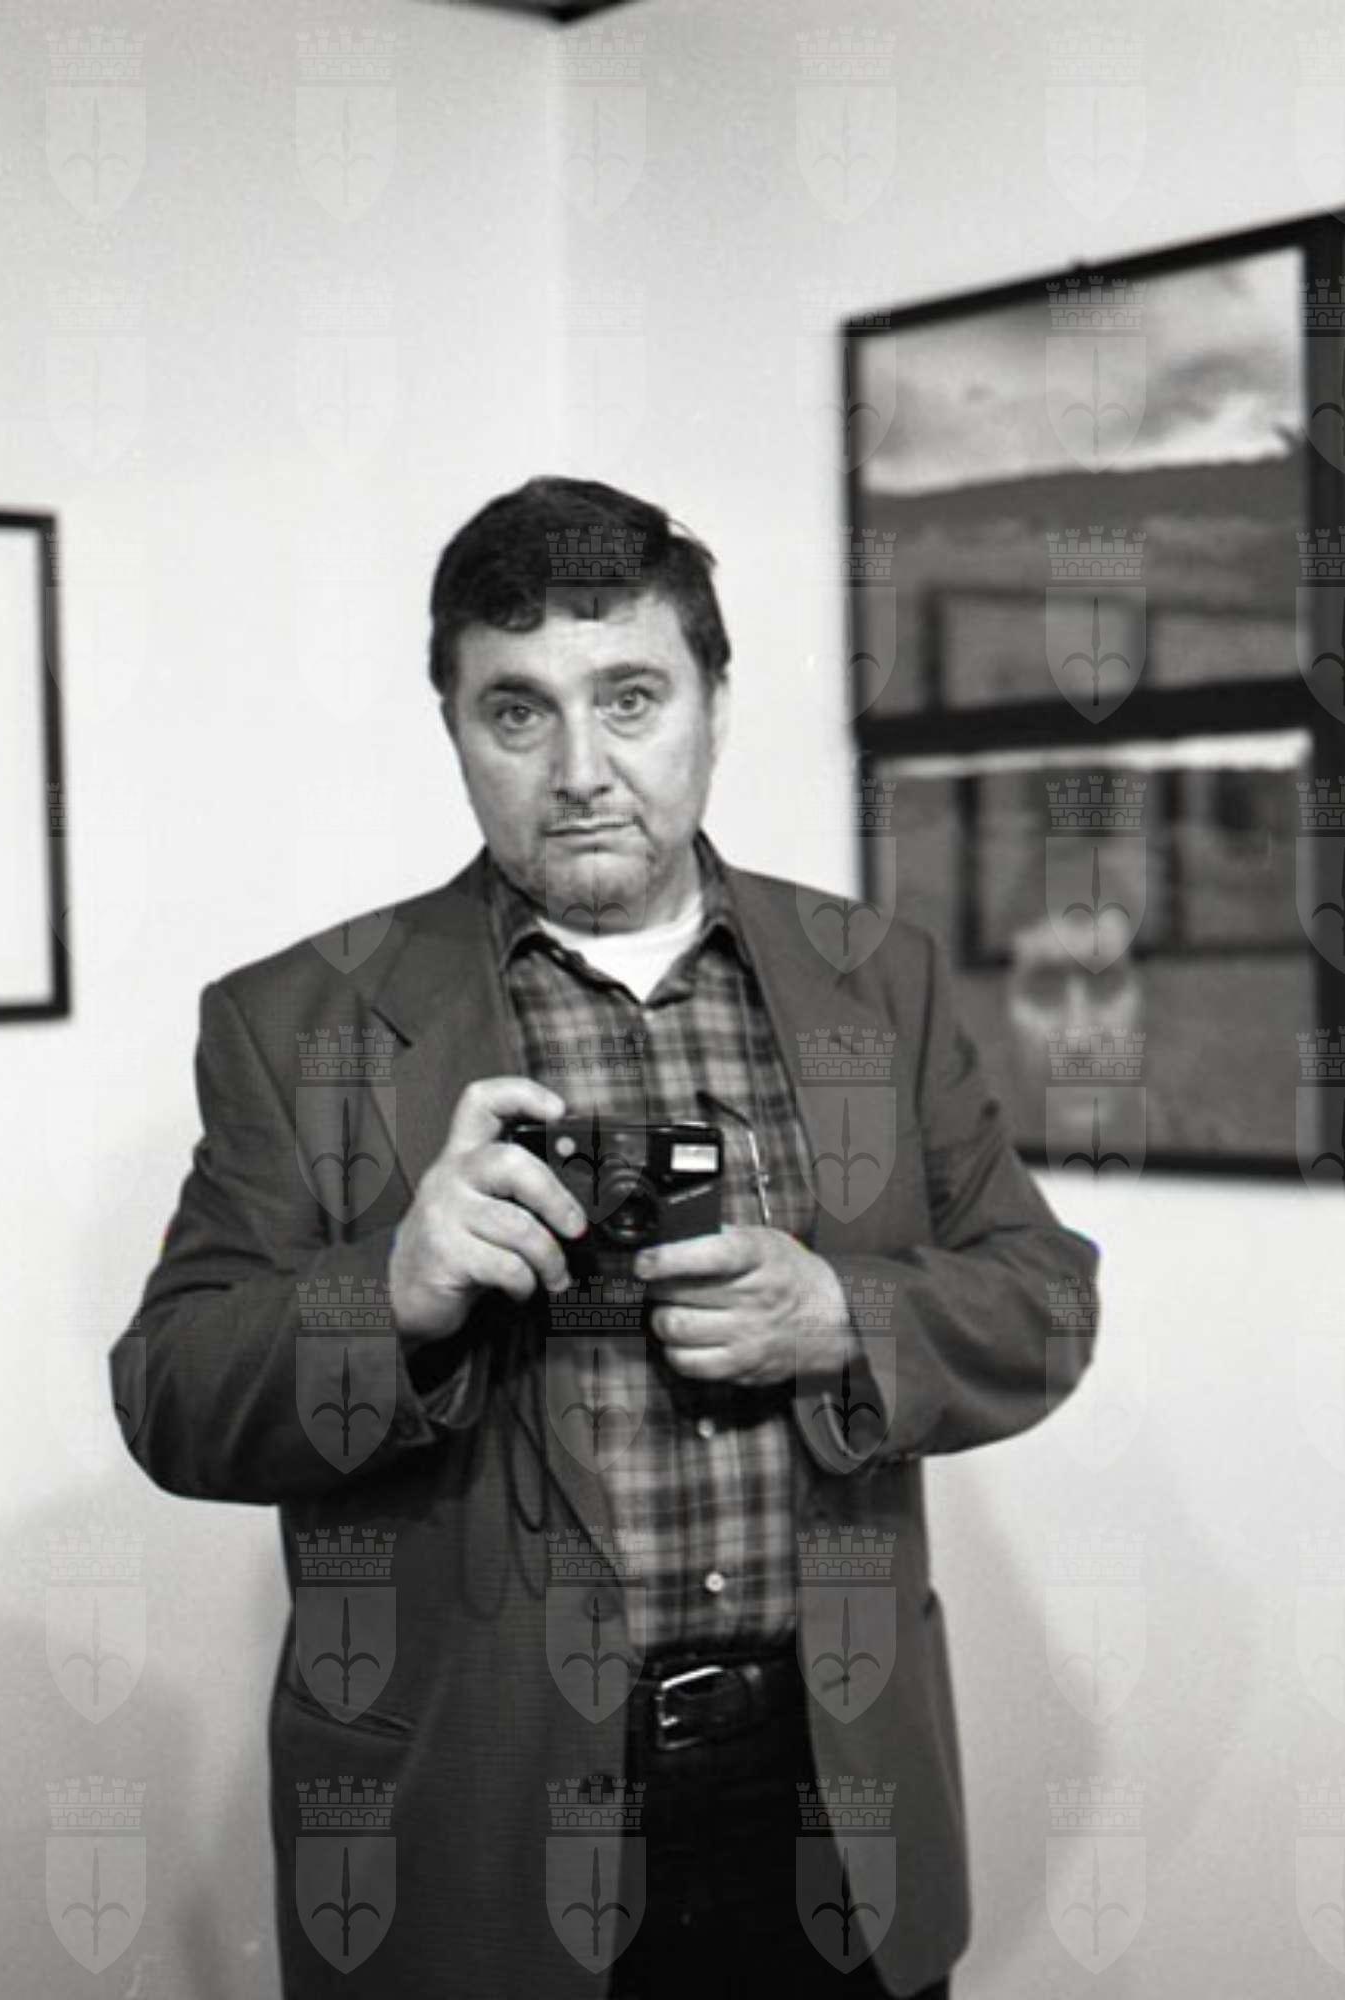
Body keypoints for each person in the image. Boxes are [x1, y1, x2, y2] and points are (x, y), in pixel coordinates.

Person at [112, 476, 1102, 1998]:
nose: (581, 770)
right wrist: (389, 1291)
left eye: (630, 698)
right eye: (518, 713)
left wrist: (841, 1317)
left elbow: (1044, 1303)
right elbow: (170, 1393)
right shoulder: (297, 1020)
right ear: (454, 728)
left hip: (832, 1801)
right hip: (475, 1832)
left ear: (715, 703)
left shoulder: (873, 977)